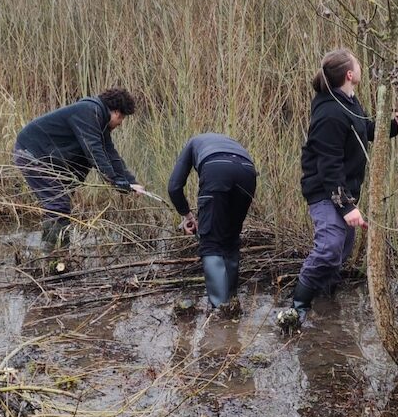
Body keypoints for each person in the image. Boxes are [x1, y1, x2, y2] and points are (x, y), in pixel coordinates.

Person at [277, 48, 398, 331]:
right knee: (329, 249)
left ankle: (326, 311)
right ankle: (296, 309)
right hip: (326, 192)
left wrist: (394, 127)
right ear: (350, 74)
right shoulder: (329, 113)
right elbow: (328, 167)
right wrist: (347, 206)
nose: (361, 67)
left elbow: (362, 131)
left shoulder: (348, 101)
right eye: (358, 64)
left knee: (341, 252)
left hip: (344, 192)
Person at [13, 88, 143, 247]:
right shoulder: (88, 112)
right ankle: (52, 255)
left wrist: (130, 181)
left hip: (47, 159)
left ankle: (58, 250)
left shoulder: (98, 120)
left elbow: (110, 153)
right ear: (116, 112)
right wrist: (115, 180)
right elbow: (93, 150)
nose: (120, 123)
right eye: (121, 118)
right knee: (58, 205)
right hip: (31, 154)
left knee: (61, 203)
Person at [167, 133, 256, 311]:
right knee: (230, 239)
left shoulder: (192, 143)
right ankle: (232, 301)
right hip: (248, 171)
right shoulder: (230, 142)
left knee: (211, 244)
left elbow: (174, 187)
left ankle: (220, 310)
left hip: (217, 170)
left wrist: (187, 215)